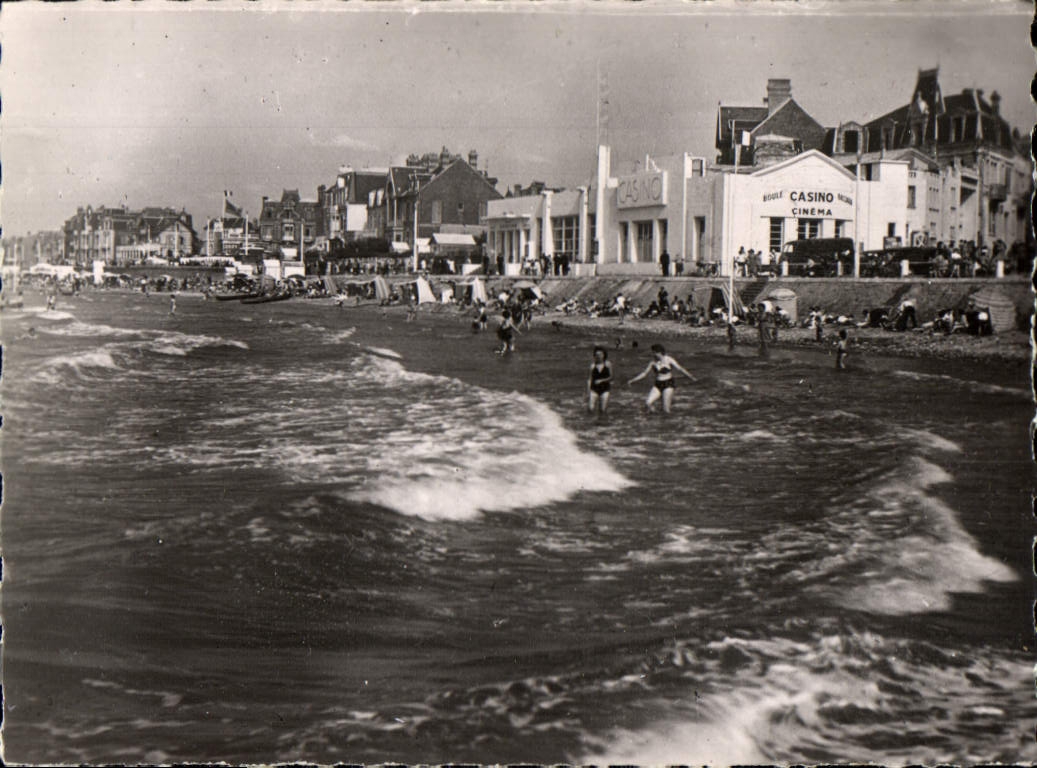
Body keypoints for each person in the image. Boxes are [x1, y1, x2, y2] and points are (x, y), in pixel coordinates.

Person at [627, 343, 696, 413]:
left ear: (659, 352)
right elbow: (644, 373)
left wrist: (691, 377)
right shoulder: (652, 362)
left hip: (668, 384)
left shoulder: (669, 359)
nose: (653, 354)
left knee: (666, 410)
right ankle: (656, 416)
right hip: (657, 384)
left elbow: (680, 369)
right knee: (648, 403)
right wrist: (632, 380)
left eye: (654, 353)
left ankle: (669, 421)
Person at [587, 346, 613, 415]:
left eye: (600, 354)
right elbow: (590, 379)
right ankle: (590, 422)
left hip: (605, 389)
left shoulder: (608, 364)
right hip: (594, 389)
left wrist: (602, 380)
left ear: (604, 355)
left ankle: (601, 423)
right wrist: (588, 390)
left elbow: (611, 377)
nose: (599, 356)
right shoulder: (592, 366)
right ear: (594, 356)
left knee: (602, 409)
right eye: (597, 355)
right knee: (590, 408)